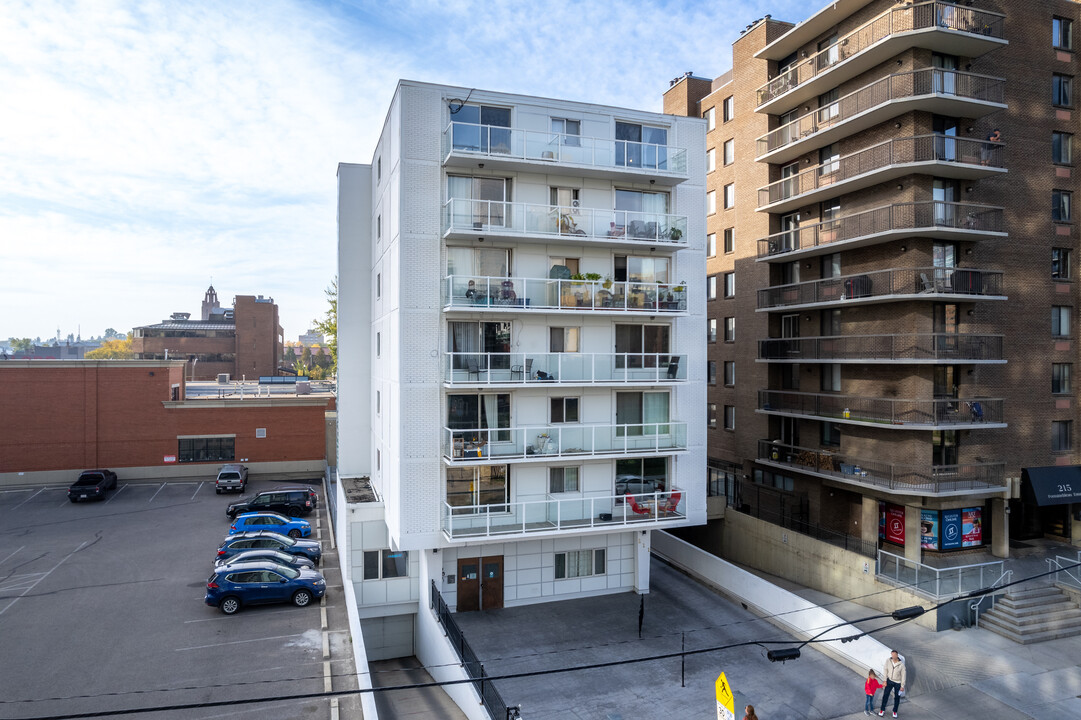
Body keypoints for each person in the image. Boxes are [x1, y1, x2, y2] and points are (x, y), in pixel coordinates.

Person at [879, 650, 906, 717]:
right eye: (892, 655)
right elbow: (885, 670)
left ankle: (895, 711)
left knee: (897, 697)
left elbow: (903, 675)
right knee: (885, 695)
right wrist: (885, 680)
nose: (893, 656)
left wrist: (902, 686)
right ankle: (882, 709)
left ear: (897, 655)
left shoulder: (901, 664)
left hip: (898, 683)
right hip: (889, 681)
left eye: (894, 655)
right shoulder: (888, 661)